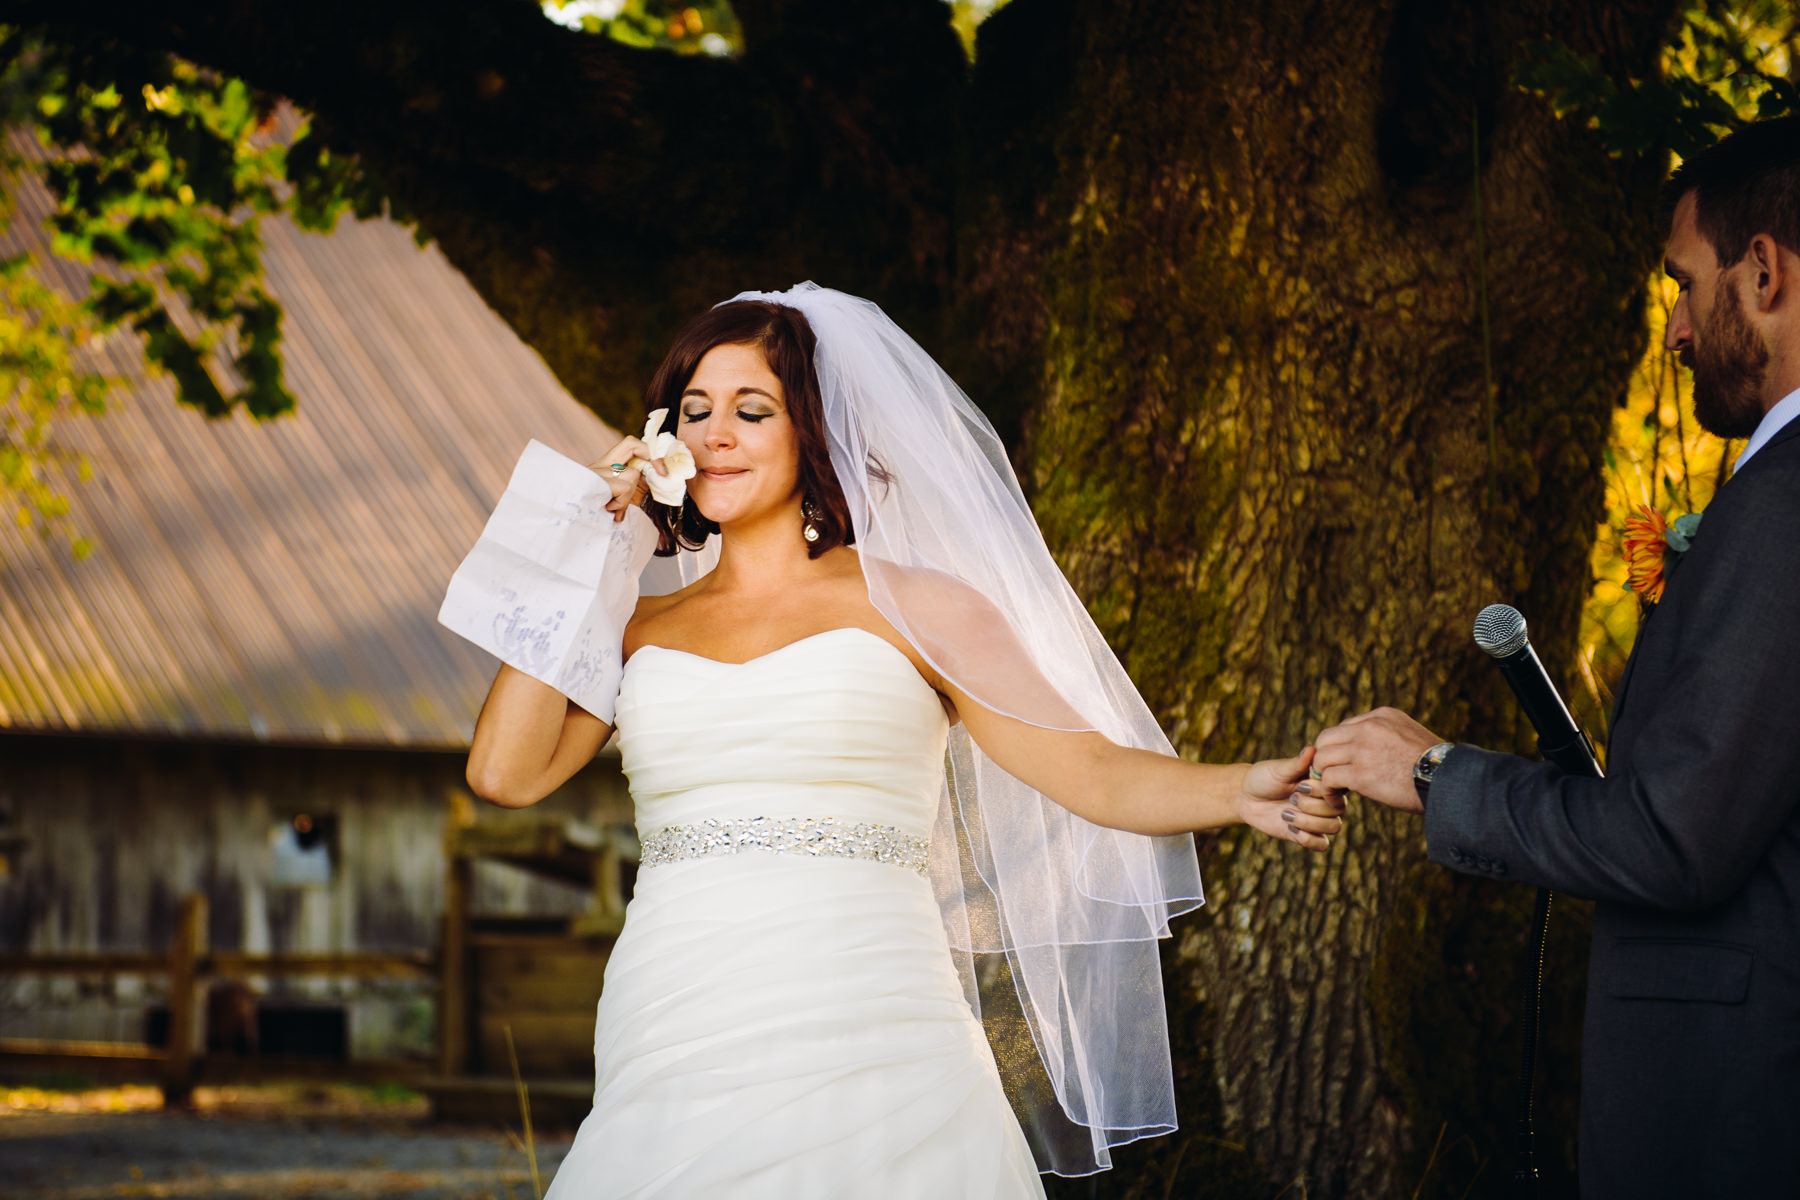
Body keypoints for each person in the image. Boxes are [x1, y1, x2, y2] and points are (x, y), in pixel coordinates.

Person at [463, 284, 1347, 1197]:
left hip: (873, 1008)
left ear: (815, 430)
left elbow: (1083, 766)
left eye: (751, 410)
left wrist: (1242, 791)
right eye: (694, 412)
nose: (714, 434)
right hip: (678, 1002)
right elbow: (504, 772)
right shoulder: (635, 625)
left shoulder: (918, 606)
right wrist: (582, 549)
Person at [1311, 117, 1800, 1198]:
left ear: (1763, 270)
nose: (1672, 331)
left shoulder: (1786, 502)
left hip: (1736, 1121)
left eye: (1684, 282)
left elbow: (1677, 839)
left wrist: (1442, 777)